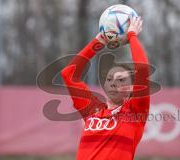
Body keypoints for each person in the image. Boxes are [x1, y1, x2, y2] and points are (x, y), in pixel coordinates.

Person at [61, 16, 150, 160]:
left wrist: (132, 35)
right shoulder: (93, 110)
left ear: (132, 88)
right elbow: (68, 74)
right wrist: (97, 43)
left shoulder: (135, 113)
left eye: (121, 80)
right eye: (109, 79)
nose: (113, 82)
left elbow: (142, 69)